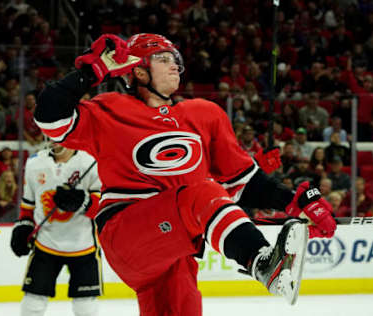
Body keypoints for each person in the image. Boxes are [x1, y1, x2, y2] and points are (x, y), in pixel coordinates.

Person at [34, 33, 336, 315]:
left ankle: (261, 259)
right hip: (127, 232)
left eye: (174, 58)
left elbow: (243, 181)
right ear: (138, 72)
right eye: (163, 59)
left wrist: (296, 202)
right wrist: (89, 74)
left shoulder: (205, 114)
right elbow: (49, 118)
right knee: (202, 191)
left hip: (177, 246)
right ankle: (261, 261)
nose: (174, 65)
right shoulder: (109, 108)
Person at [10, 141, 102, 316]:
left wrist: (82, 202)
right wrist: (23, 226)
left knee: (86, 307)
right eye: (48, 132)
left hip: (83, 245)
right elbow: (28, 204)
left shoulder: (90, 162)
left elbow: (103, 207)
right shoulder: (34, 163)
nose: (51, 137)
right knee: (33, 302)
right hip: (45, 243)